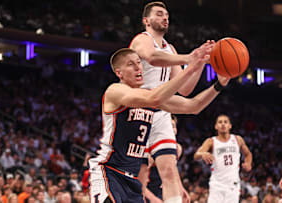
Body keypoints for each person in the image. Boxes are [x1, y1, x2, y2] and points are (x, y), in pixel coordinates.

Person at [89, 48, 229, 203]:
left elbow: (193, 106)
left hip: (132, 180)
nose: (138, 68)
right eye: (131, 65)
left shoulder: (150, 95)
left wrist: (219, 85)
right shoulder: (115, 91)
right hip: (109, 172)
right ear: (119, 73)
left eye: (139, 63)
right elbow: (153, 98)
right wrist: (191, 67)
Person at [129, 2, 215, 202]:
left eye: (166, 15)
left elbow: (184, 89)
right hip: (135, 111)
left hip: (161, 113)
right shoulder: (142, 39)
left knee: (168, 170)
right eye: (159, 14)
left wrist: (199, 63)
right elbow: (151, 57)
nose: (165, 18)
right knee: (134, 177)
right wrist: (188, 57)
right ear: (146, 21)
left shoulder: (171, 49)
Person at [194, 114, 253, 203]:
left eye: (225, 122)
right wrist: (203, 154)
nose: (223, 124)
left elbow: (248, 154)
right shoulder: (211, 141)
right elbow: (196, 155)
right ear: (216, 126)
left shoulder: (237, 139)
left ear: (230, 126)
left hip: (233, 184)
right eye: (220, 122)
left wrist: (248, 163)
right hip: (217, 184)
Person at [144, 115, 182, 203]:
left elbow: (173, 172)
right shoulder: (148, 150)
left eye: (173, 126)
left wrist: (181, 188)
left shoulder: (177, 148)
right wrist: (152, 198)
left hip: (163, 191)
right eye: (168, 126)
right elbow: (138, 180)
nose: (171, 129)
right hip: (146, 192)